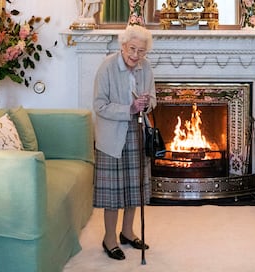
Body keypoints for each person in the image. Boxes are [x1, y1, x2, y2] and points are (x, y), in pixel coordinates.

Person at [92, 25, 156, 261]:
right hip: (112, 136)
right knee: (114, 193)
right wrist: (128, 108)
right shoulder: (107, 67)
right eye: (132, 49)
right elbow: (99, 105)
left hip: (138, 132)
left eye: (141, 51)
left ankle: (127, 232)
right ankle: (109, 238)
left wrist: (147, 103)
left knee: (134, 188)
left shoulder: (146, 67)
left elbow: (154, 99)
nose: (136, 55)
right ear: (123, 46)